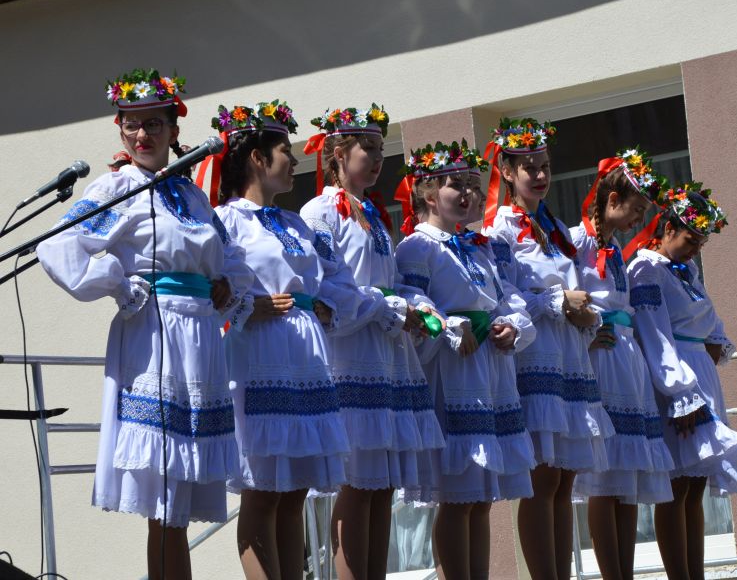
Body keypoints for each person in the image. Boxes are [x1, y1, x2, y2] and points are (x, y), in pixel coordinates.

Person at [37, 68, 253, 580]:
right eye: (131, 124)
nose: (142, 134)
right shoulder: (119, 187)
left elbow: (231, 256)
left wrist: (225, 284)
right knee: (163, 494)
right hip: (156, 336)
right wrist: (116, 282)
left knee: (179, 499)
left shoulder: (192, 195)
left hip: (199, 340)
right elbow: (58, 245)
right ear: (120, 130)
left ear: (174, 130)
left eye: (154, 123)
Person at [208, 100, 363, 580]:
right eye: (285, 152)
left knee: (294, 490)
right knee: (263, 491)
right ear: (257, 158)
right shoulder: (226, 219)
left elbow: (331, 277)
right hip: (262, 352)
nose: (294, 161)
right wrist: (244, 305)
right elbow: (213, 283)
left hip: (304, 353)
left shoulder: (295, 222)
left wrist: (326, 305)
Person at [300, 105, 445, 580]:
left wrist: (418, 306)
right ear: (339, 153)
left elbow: (391, 282)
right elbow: (328, 286)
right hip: (352, 355)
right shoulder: (320, 212)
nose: (379, 158)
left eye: (382, 149)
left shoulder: (373, 216)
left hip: (386, 356)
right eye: (369, 148)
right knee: (358, 483)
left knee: (382, 486)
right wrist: (387, 309)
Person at [395, 140, 535, 580]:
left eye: (474, 185)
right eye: (457, 185)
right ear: (428, 193)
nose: (469, 194)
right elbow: (412, 299)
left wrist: (512, 325)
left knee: (480, 499)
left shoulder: (479, 246)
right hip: (453, 370)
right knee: (458, 496)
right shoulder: (418, 247)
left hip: (489, 370)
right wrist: (451, 327)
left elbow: (506, 297)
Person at [482, 118, 612, 579]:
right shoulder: (499, 228)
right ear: (507, 172)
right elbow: (505, 294)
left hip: (568, 355)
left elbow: (576, 287)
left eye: (545, 166)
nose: (539, 175)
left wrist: (587, 316)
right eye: (529, 167)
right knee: (542, 477)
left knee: (564, 477)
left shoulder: (555, 227)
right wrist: (558, 302)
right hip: (535, 355)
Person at [626, 182, 737, 580]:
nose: (695, 249)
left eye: (701, 242)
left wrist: (713, 345)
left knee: (695, 487)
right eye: (690, 240)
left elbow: (710, 323)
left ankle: (695, 573)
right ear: (667, 229)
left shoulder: (686, 271)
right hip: (676, 383)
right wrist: (680, 393)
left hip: (701, 377)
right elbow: (654, 333)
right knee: (675, 487)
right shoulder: (646, 270)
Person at [570, 150, 676, 580]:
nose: (638, 220)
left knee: (626, 479)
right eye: (636, 209)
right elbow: (569, 297)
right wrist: (585, 334)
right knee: (605, 477)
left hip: (625, 359)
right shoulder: (578, 241)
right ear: (612, 199)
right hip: (602, 360)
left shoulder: (613, 248)